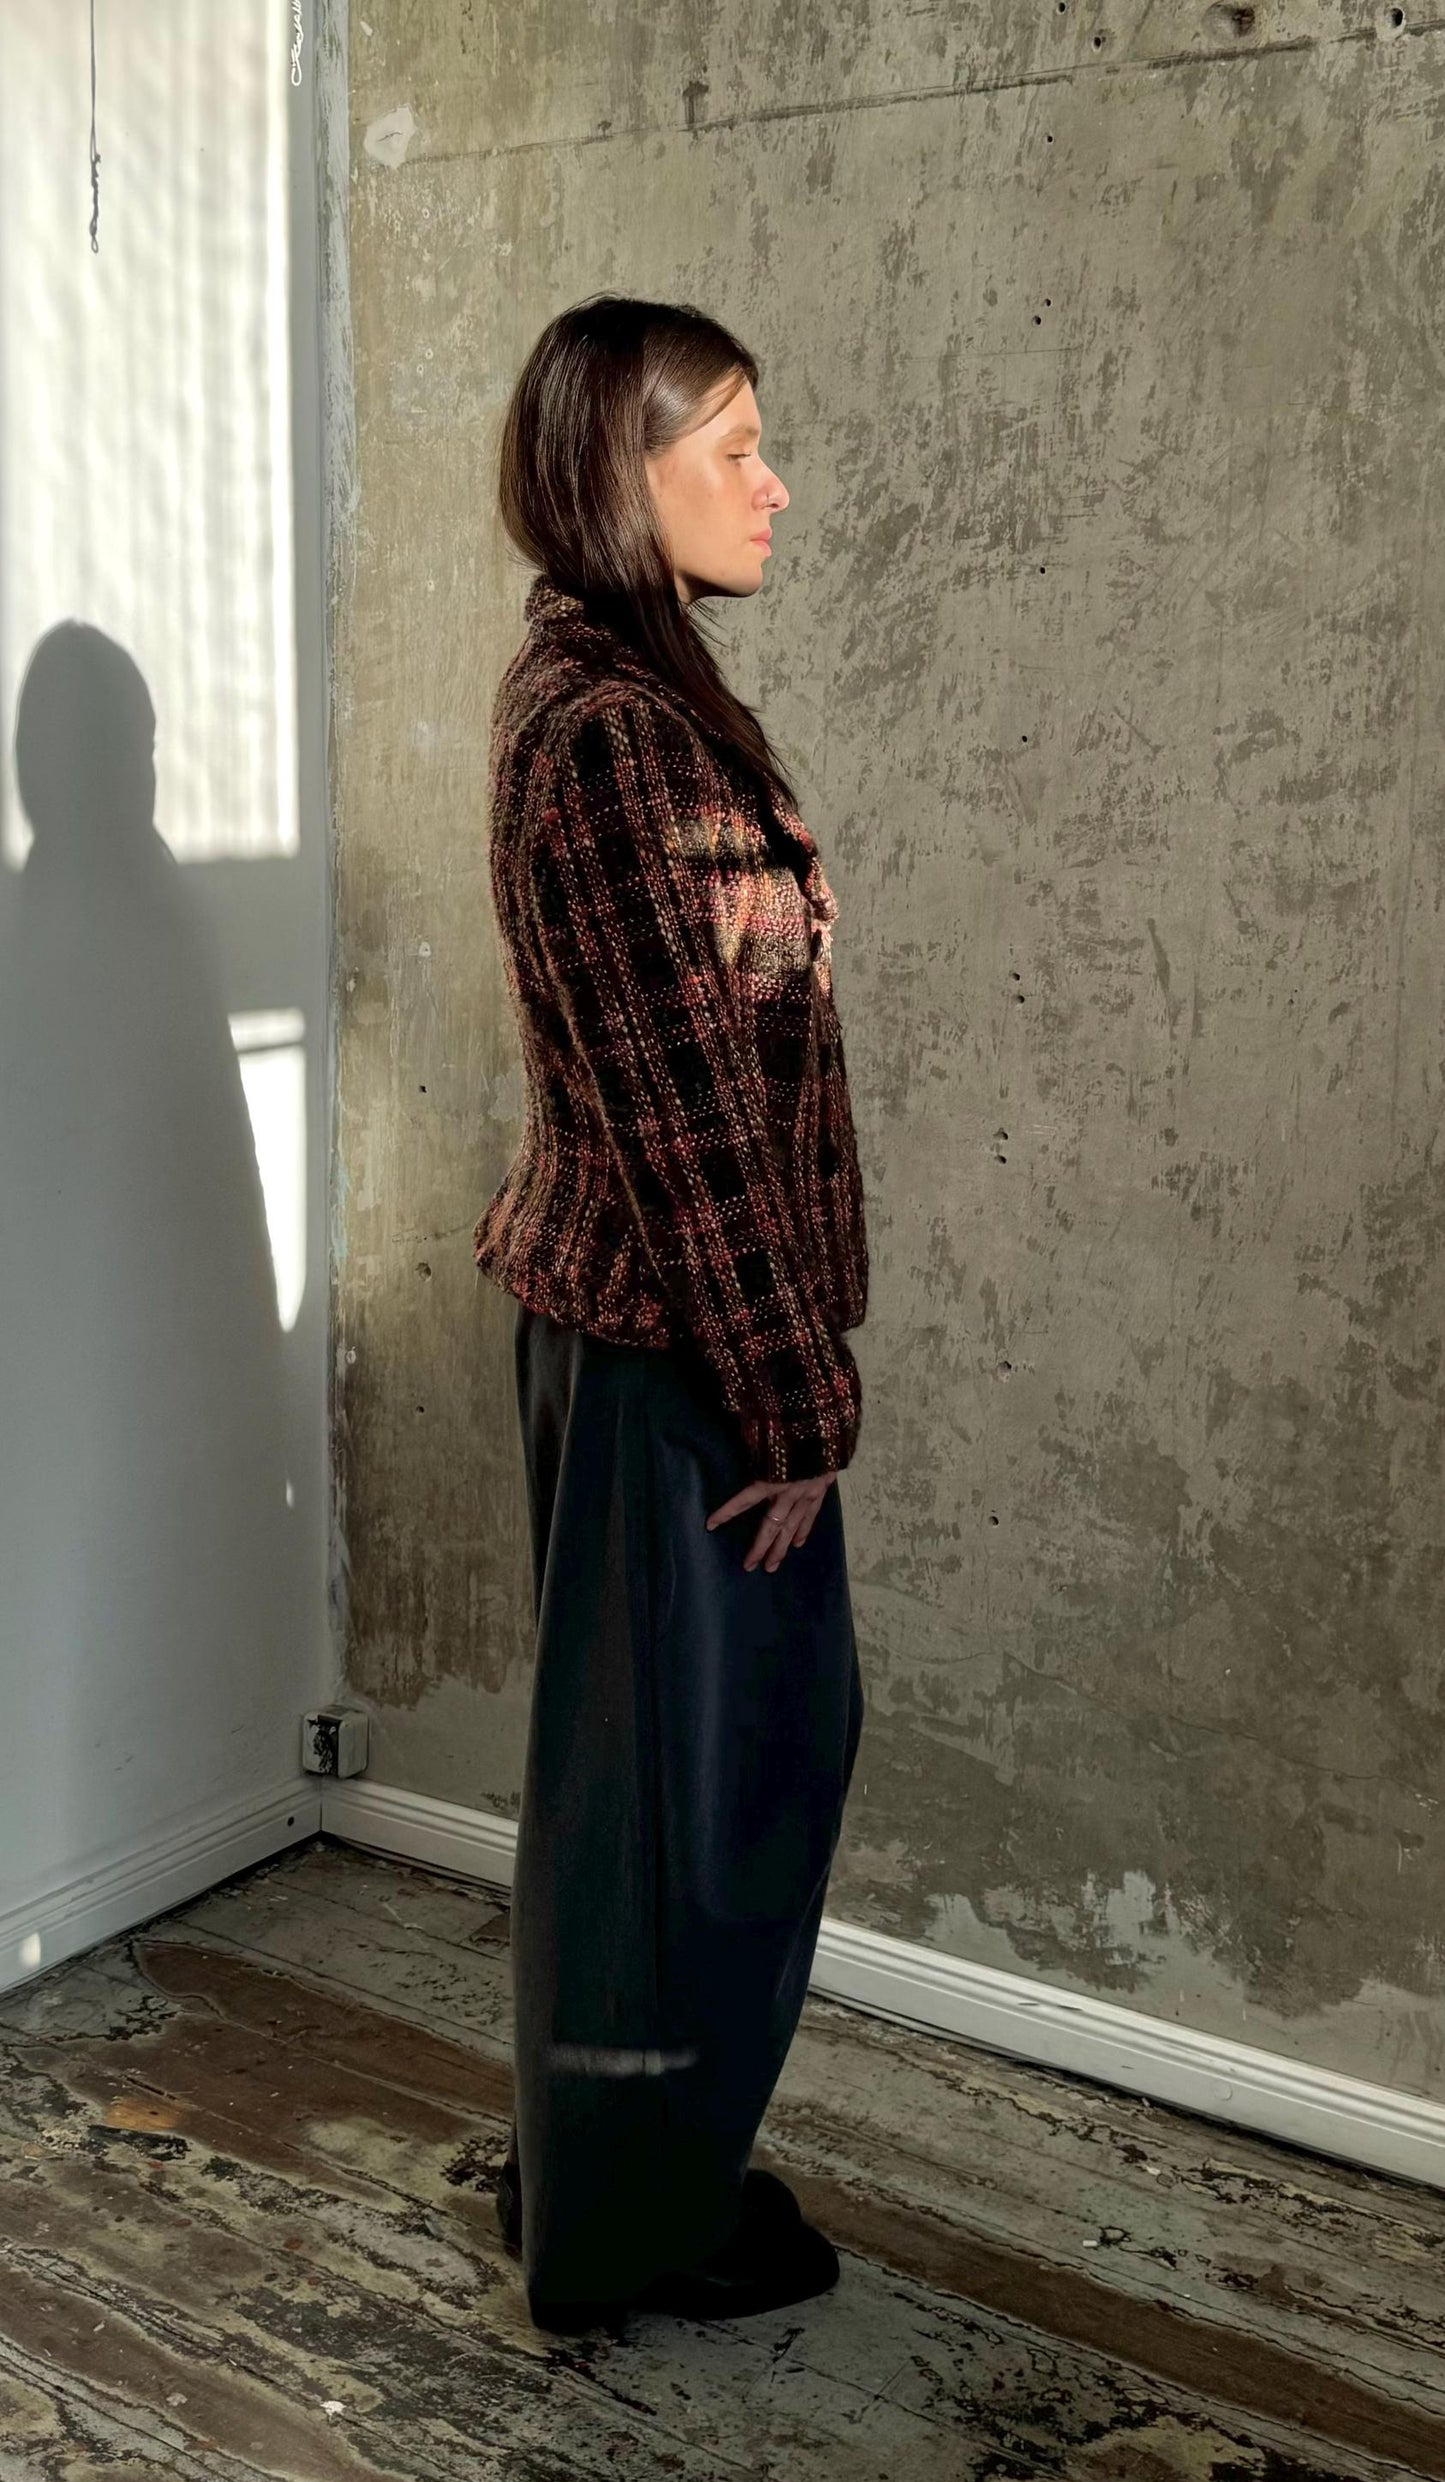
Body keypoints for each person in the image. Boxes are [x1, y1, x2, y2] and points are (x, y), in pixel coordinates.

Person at [471, 293, 869, 2333]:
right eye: (729, 441)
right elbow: (692, 1131)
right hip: (678, 1356)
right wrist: (800, 1404)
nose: (771, 479)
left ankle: (608, 2151)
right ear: (615, 474)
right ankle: (619, 2224)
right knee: (697, 1808)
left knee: (663, 1788)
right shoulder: (615, 740)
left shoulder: (631, 695)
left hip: (666, 1339)